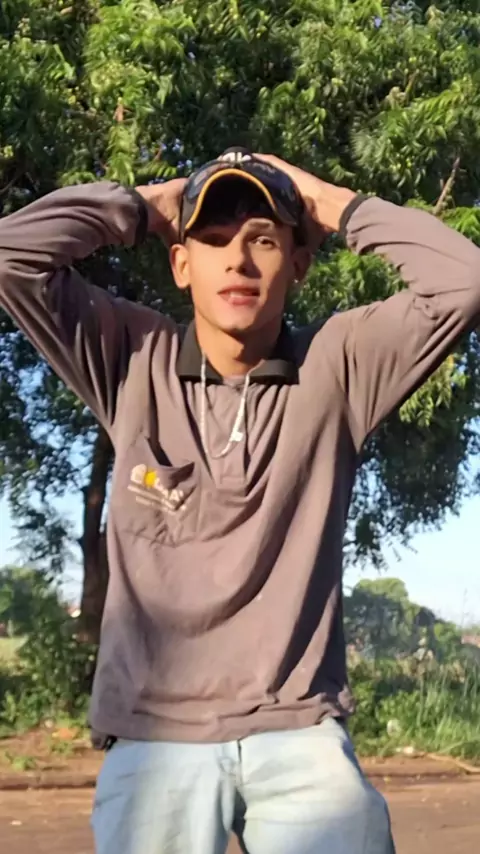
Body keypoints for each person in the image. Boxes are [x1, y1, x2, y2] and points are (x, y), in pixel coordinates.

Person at [0, 146, 479, 854]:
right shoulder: (131, 358)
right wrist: (143, 206)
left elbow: (463, 280)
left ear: (299, 263)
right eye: (215, 239)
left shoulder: (338, 367)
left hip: (297, 727)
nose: (239, 261)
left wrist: (329, 202)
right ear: (180, 264)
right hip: (153, 732)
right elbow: (12, 257)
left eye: (264, 240)